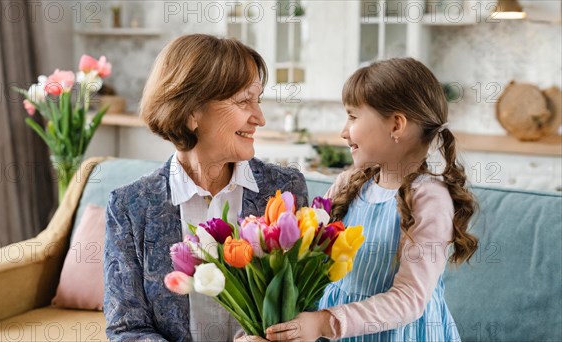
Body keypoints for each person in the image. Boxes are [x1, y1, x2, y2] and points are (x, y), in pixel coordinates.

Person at [103, 34, 309, 342]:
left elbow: (305, 306)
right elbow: (126, 329)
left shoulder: (284, 189)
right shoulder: (130, 206)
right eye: (243, 101)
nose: (260, 118)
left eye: (258, 100)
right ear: (192, 112)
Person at [264, 58, 479, 341]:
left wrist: (324, 324)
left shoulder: (428, 198)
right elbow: (307, 256)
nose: (343, 131)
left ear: (396, 125)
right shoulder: (349, 183)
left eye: (353, 117)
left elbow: (409, 298)